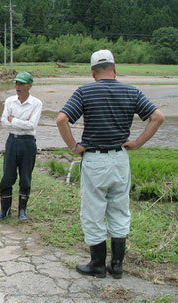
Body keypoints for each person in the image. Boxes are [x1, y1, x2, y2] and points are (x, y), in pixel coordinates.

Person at [56, 49, 165, 279]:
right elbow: (157, 117)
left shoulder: (85, 92)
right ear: (114, 70)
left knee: (93, 211)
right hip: (119, 159)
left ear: (93, 73)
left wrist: (73, 146)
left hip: (94, 159)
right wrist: (137, 143)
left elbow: (62, 119)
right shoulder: (131, 91)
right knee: (119, 210)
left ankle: (97, 265)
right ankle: (116, 266)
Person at [0, 71, 42, 222]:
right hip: (12, 141)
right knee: (7, 176)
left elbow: (31, 125)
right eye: (16, 83)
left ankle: (22, 211)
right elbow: (3, 122)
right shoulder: (9, 101)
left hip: (28, 143)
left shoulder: (36, 103)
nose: (17, 86)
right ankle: (4, 210)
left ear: (29, 86)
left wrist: (13, 119)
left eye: (21, 83)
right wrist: (20, 122)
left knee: (25, 177)